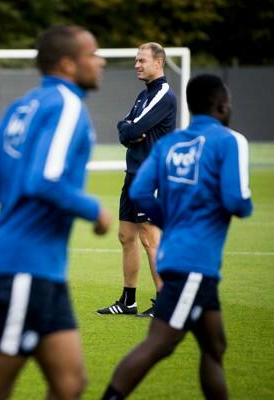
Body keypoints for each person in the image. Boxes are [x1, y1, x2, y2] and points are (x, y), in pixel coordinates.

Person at [0, 25, 111, 400]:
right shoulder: (66, 104)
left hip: (39, 267)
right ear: (67, 64)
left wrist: (16, 198)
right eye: (92, 53)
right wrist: (96, 211)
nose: (101, 60)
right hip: (24, 265)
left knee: (69, 383)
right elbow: (45, 180)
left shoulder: (24, 106)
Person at [101, 74, 253, 400]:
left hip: (181, 259)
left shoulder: (169, 144)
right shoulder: (230, 141)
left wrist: (168, 221)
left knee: (215, 347)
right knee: (160, 343)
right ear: (223, 105)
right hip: (194, 263)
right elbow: (238, 203)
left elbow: (141, 190)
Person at [97, 42, 177, 317]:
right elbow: (125, 130)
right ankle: (128, 301)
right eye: (136, 60)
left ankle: (165, 302)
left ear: (159, 62)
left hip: (151, 177)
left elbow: (135, 128)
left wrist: (129, 130)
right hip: (133, 175)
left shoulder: (163, 94)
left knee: (149, 237)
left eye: (142, 60)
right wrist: (127, 130)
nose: (136, 65)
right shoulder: (144, 96)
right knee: (125, 236)